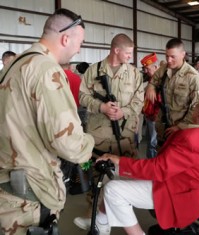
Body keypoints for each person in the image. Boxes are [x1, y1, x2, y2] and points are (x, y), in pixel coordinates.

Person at [0, 8, 94, 234]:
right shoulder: (45, 69)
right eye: (79, 42)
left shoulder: (15, 65)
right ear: (65, 38)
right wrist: (89, 143)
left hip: (9, 186)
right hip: (30, 194)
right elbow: (67, 142)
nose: (79, 49)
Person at [93, 90, 199, 235]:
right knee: (113, 173)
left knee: (113, 190)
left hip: (178, 193)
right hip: (183, 182)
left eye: (197, 105)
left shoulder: (194, 139)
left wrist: (119, 160)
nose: (194, 107)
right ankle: (101, 222)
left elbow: (158, 169)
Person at [74, 33, 144, 229]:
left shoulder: (134, 73)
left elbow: (139, 102)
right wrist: (101, 107)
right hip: (99, 136)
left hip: (125, 137)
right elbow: (82, 96)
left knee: (126, 177)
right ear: (116, 50)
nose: (130, 57)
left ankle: (123, 217)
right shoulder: (93, 71)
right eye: (128, 53)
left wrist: (124, 112)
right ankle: (95, 221)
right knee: (97, 179)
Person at [145, 38, 199, 146]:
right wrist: (151, 87)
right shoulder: (164, 69)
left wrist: (180, 126)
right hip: (162, 128)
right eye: (167, 56)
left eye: (172, 56)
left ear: (182, 54)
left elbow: (196, 106)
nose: (169, 60)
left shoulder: (193, 77)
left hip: (180, 131)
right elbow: (154, 79)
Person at [140, 52, 160, 158]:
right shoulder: (152, 79)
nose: (146, 71)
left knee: (153, 142)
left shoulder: (160, 81)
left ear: (156, 67)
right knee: (149, 140)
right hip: (148, 115)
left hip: (155, 117)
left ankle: (153, 165)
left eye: (148, 68)